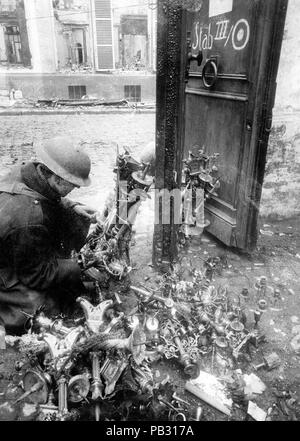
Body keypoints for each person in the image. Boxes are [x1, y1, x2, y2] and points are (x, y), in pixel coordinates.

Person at [0, 136, 98, 337]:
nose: (76, 188)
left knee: (73, 219)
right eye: (72, 184)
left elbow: (46, 196)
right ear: (55, 177)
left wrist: (74, 206)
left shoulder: (27, 171)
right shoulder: (28, 216)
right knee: (45, 310)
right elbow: (38, 275)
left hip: (20, 244)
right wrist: (79, 264)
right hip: (7, 269)